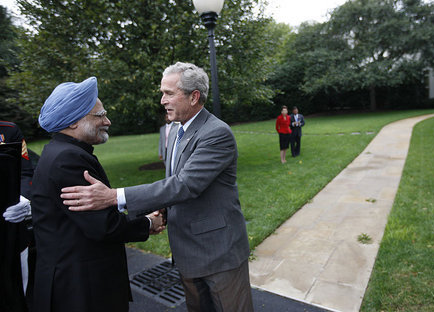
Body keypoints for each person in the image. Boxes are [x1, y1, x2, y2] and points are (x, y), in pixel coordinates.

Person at [60, 63, 253, 312]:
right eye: (162, 93)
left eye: (169, 93)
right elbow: (173, 181)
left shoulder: (216, 133)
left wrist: (113, 197)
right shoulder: (175, 129)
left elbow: (185, 184)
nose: (162, 100)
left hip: (219, 254)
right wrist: (158, 213)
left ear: (194, 97)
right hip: (187, 252)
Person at [31, 77, 165, 312]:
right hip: (82, 291)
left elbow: (98, 208)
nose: (108, 121)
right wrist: (148, 223)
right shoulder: (68, 159)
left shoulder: (59, 151)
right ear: (73, 122)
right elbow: (103, 226)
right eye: (100, 115)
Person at [1, 120, 34, 312]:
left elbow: (25, 172)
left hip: (10, 228)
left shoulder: (8, 130)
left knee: (17, 292)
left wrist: (21, 198)